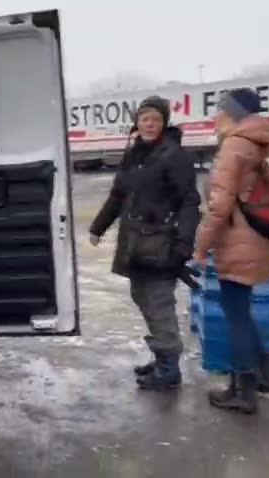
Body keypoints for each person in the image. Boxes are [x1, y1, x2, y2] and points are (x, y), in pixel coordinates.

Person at [89, 96, 201, 391]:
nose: (149, 124)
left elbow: (190, 201)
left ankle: (169, 369)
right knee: (143, 297)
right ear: (137, 123)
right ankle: (162, 355)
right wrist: (98, 226)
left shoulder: (173, 155)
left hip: (161, 245)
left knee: (158, 302)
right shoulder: (134, 153)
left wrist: (183, 244)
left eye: (155, 119)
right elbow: (118, 195)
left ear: (164, 123)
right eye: (144, 118)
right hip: (136, 243)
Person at [193, 88, 269, 414]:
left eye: (220, 110)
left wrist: (201, 248)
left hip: (238, 239)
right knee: (241, 311)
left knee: (236, 316)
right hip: (262, 235)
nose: (216, 116)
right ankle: (266, 376)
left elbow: (219, 207)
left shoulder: (235, 145)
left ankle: (242, 391)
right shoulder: (267, 141)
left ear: (231, 113)